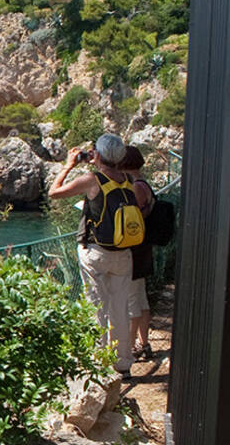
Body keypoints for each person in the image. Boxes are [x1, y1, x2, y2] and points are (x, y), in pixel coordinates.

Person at [46, 133, 153, 376]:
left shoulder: (93, 180)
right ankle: (122, 364)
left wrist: (69, 165)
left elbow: (54, 192)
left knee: (96, 307)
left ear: (99, 155)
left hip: (96, 252)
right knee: (119, 307)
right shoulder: (127, 180)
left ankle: (98, 362)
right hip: (123, 253)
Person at [118, 146, 155, 360]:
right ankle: (144, 343)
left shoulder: (136, 187)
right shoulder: (142, 183)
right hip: (142, 247)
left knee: (132, 300)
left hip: (134, 249)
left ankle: (129, 350)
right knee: (140, 298)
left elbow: (134, 217)